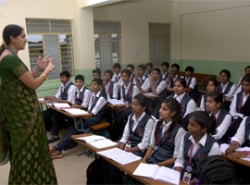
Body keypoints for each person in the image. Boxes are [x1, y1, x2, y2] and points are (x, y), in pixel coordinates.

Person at [0, 24, 57, 184]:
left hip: (20, 115)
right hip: (22, 117)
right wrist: (47, 71)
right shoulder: (9, 58)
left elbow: (22, 82)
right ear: (12, 38)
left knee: (28, 152)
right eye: (23, 36)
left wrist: (38, 68)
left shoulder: (8, 55)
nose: (26, 40)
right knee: (26, 152)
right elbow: (33, 85)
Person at [50, 78, 107, 159]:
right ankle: (62, 146)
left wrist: (80, 117)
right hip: (88, 115)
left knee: (74, 128)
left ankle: (57, 148)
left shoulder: (102, 98)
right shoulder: (93, 95)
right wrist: (80, 116)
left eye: (95, 84)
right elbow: (88, 109)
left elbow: (92, 113)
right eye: (92, 84)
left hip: (95, 118)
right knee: (72, 126)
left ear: (100, 86)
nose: (93, 86)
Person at [174, 111, 220, 184]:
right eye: (189, 123)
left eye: (193, 125)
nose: (188, 127)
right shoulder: (185, 137)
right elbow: (180, 160)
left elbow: (209, 173)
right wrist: (177, 177)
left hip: (199, 181)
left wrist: (190, 183)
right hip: (183, 176)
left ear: (203, 129)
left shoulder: (213, 146)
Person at [142, 98, 186, 166]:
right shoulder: (157, 124)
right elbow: (151, 146)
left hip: (166, 163)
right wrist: (144, 160)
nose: (160, 111)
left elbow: (175, 158)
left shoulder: (180, 131)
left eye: (164, 109)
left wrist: (158, 165)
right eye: (160, 108)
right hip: (154, 158)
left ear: (173, 113)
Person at [42, 70, 75, 142]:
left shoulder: (72, 87)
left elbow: (69, 101)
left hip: (67, 109)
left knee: (55, 116)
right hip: (59, 107)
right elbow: (57, 96)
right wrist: (48, 97)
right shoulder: (62, 86)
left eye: (63, 77)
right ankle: (48, 129)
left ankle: (55, 135)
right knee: (45, 114)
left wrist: (57, 101)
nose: (61, 79)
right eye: (61, 77)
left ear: (68, 78)